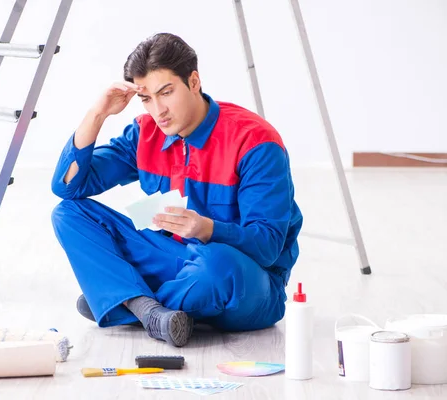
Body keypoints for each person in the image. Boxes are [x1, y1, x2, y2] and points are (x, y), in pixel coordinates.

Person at [51, 33, 303, 347]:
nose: (158, 110)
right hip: (174, 261)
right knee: (69, 213)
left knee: (217, 267)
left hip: (246, 278)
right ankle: (147, 309)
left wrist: (207, 228)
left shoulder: (256, 142)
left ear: (193, 81)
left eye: (166, 92)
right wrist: (97, 113)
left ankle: (122, 299)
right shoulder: (145, 133)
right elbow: (68, 187)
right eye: (146, 98)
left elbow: (267, 248)